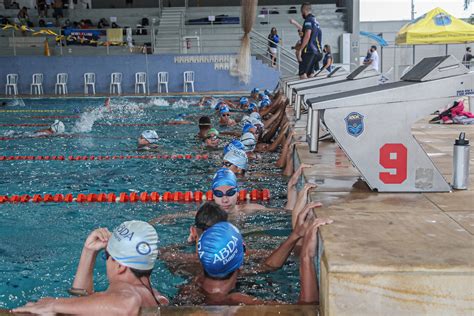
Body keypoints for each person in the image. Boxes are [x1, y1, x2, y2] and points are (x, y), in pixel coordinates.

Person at [13, 221, 169, 314]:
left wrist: (53, 304)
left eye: (106, 256)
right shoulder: (155, 296)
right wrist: (89, 252)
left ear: (120, 266)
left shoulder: (127, 291)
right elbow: (84, 304)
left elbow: (126, 304)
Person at [197, 215, 332, 305]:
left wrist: (296, 235)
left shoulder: (195, 284)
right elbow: (305, 313)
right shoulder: (239, 302)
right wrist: (306, 256)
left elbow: (267, 267)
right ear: (241, 257)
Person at [297, 3, 323, 79]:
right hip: (318, 52)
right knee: (310, 74)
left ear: (304, 10)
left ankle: (303, 91)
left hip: (309, 51)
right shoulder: (316, 21)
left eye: (301, 12)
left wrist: (300, 50)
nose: (302, 14)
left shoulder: (308, 20)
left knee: (302, 74)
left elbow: (308, 35)